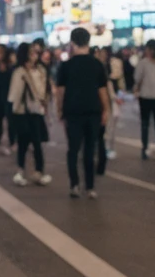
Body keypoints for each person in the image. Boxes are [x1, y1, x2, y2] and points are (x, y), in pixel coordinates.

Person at [56, 27, 109, 198]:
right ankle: (90, 187)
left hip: (72, 112)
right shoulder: (97, 64)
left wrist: (59, 110)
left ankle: (74, 185)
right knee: (89, 149)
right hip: (93, 111)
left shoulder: (66, 66)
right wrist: (106, 109)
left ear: (72, 43)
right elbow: (102, 90)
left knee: (73, 149)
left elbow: (60, 92)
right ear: (88, 42)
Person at [8, 42, 52, 187]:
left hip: (37, 111)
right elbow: (13, 94)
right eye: (32, 52)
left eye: (36, 52)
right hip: (22, 111)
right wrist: (12, 112)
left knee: (37, 142)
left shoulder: (41, 70)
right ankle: (20, 171)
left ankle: (39, 171)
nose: (35, 54)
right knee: (23, 142)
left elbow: (45, 89)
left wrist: (45, 102)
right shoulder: (19, 72)